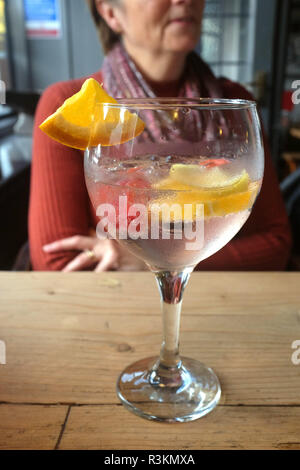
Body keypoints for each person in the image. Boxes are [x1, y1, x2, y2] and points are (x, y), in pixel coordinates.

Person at [28, 0, 292, 272]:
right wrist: (187, 255)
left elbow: (276, 245)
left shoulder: (235, 108)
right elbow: (56, 262)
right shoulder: (76, 110)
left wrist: (149, 260)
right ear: (110, 12)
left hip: (222, 307)